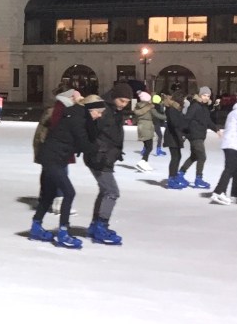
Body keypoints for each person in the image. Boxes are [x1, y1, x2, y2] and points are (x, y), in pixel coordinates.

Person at [29, 88, 90, 248]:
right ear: (71, 98)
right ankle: (63, 231)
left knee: (48, 192)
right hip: (53, 155)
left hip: (56, 155)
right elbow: (45, 133)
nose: (80, 99)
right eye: (77, 97)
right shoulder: (62, 111)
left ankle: (36, 226)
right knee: (68, 191)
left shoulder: (64, 110)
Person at [82, 83, 134, 244]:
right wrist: (99, 151)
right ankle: (100, 227)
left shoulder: (114, 110)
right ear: (114, 97)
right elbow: (90, 131)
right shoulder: (103, 110)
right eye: (121, 100)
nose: (123, 105)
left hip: (106, 156)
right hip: (99, 157)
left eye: (126, 102)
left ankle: (95, 225)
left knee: (105, 190)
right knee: (112, 192)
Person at [178, 86, 220, 189]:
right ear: (200, 95)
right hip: (194, 135)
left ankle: (180, 174)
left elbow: (207, 121)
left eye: (208, 96)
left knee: (194, 156)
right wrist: (183, 133)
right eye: (204, 95)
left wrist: (216, 129)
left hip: (200, 135)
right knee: (202, 156)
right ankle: (198, 179)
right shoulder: (195, 106)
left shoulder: (204, 107)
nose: (206, 97)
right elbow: (187, 119)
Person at [210, 96, 237, 205]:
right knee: (230, 168)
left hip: (231, 144)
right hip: (232, 144)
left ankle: (236, 194)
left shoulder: (234, 112)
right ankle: (219, 192)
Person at [162, 91, 190, 189]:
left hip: (175, 135)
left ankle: (174, 176)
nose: (184, 101)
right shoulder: (172, 109)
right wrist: (180, 134)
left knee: (177, 156)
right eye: (183, 99)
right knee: (175, 157)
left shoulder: (176, 108)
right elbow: (175, 123)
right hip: (172, 136)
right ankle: (171, 179)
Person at [133, 91, 159, 171]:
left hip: (141, 127)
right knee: (149, 147)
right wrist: (167, 117)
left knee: (147, 146)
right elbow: (158, 115)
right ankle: (143, 161)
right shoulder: (149, 107)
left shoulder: (138, 106)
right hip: (147, 127)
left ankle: (145, 163)